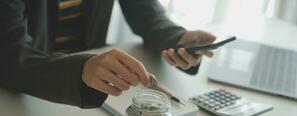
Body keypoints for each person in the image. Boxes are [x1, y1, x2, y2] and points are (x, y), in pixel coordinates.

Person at [0, 0, 216, 108]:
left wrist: (178, 39)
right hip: (25, 97)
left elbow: (148, 16)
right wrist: (82, 69)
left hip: (88, 95)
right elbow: (10, 52)